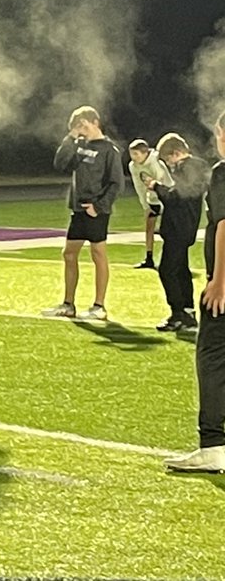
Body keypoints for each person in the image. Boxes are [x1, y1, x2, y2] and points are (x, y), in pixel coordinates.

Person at [166, 110, 225, 472]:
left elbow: (224, 226)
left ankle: (213, 443)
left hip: (224, 284)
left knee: (212, 357)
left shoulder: (222, 172)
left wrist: (219, 280)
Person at [43, 106, 124, 321]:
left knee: (98, 255)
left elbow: (117, 184)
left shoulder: (109, 150)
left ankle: (99, 306)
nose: (81, 130)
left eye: (83, 125)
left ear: (94, 122)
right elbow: (60, 164)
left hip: (96, 210)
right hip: (78, 209)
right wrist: (71, 137)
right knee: (69, 253)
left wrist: (99, 206)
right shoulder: (78, 147)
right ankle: (68, 304)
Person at [148, 133, 209, 332]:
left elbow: (179, 196)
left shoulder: (189, 168)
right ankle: (188, 312)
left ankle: (177, 313)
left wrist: (157, 187)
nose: (169, 164)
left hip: (179, 227)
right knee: (181, 270)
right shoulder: (197, 167)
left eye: (168, 159)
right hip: (185, 226)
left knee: (167, 270)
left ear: (176, 153)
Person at [127, 139, 171, 270]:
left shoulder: (155, 162)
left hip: (166, 199)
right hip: (151, 200)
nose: (133, 157)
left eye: (136, 154)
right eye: (132, 154)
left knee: (168, 231)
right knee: (149, 228)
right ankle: (149, 257)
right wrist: (145, 204)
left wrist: (162, 201)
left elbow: (162, 181)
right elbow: (139, 185)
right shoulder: (133, 166)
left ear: (145, 153)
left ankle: (170, 260)